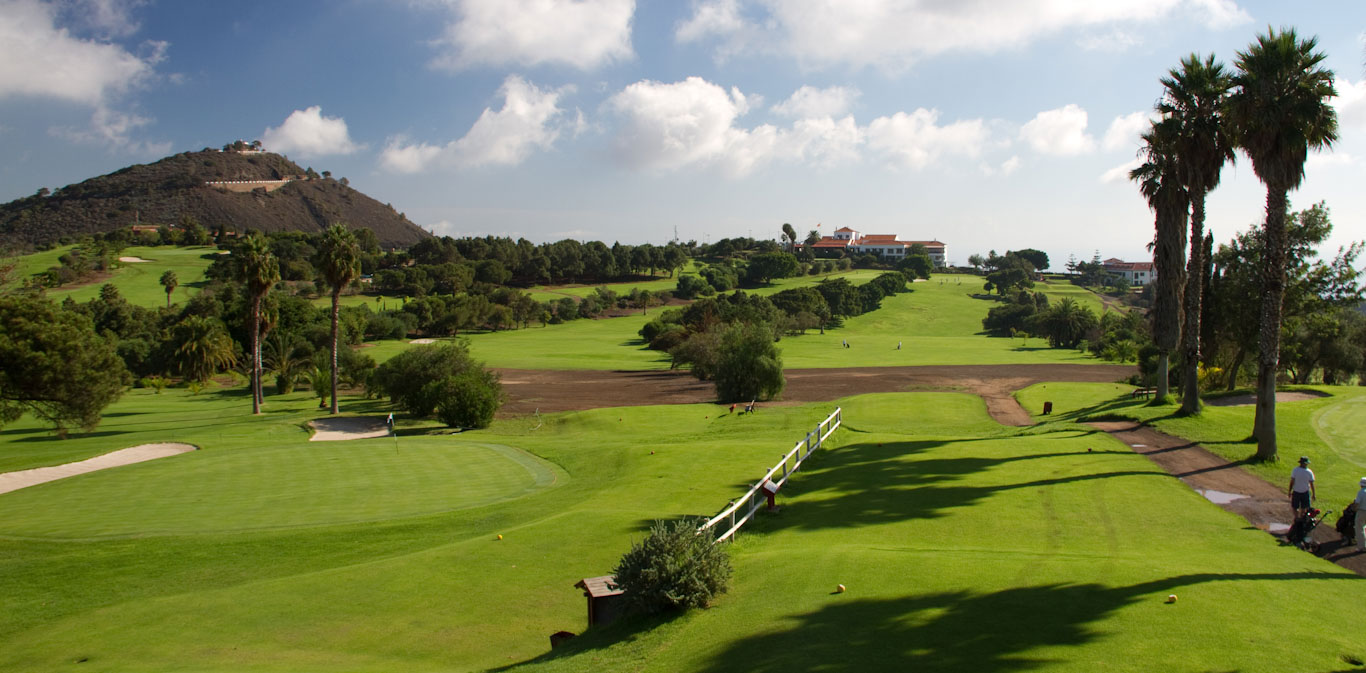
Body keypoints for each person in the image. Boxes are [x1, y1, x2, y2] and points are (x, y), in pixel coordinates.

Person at [1288, 456, 1316, 521]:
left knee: (1301, 507)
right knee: (1297, 507)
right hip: (1300, 492)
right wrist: (1290, 491)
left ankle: (1299, 518)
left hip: (1302, 492)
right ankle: (1298, 518)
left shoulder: (1296, 470)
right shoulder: (1308, 472)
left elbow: (1311, 484)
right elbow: (1292, 481)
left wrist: (1314, 494)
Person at [1355, 477, 1366, 553]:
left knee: (1359, 529)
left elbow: (1357, 503)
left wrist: (1354, 509)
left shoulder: (1361, 492)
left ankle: (1362, 547)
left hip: (1362, 511)